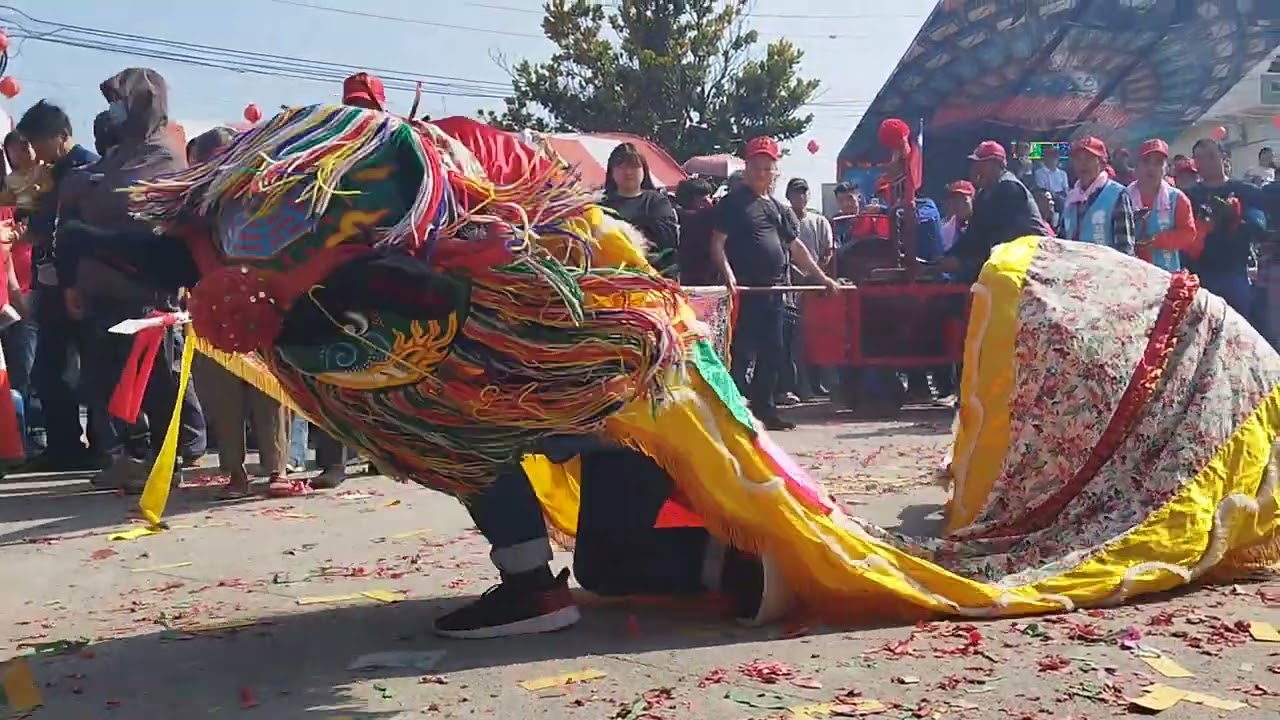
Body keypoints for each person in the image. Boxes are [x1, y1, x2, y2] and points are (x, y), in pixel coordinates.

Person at [55, 68, 207, 491]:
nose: (114, 110)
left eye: (120, 100)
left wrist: (96, 190)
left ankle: (167, 460)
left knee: (157, 380)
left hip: (147, 289)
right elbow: (79, 187)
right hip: (101, 288)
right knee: (106, 380)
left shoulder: (165, 150)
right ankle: (125, 457)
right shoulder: (123, 150)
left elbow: (125, 197)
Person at [185, 127, 290, 499]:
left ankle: (277, 469)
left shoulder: (262, 196)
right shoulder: (192, 208)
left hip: (260, 303)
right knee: (222, 394)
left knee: (269, 390)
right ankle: (236, 474)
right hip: (210, 309)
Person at [708, 136, 838, 431]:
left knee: (774, 351)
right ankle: (732, 409)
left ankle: (765, 410)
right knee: (741, 352)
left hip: (775, 293)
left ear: (775, 172)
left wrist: (821, 277)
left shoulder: (779, 209)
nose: (761, 173)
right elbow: (717, 244)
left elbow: (797, 249)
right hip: (746, 292)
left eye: (768, 168)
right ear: (747, 168)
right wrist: (728, 275)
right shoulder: (732, 204)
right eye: (756, 167)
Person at [15, 100, 104, 472]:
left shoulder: (90, 168)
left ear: (63, 137)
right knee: (48, 371)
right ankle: (64, 446)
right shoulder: (44, 175)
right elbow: (38, 226)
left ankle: (106, 446)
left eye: (39, 140)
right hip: (50, 287)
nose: (34, 150)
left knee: (96, 370)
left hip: (84, 283)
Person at [1184, 138, 1267, 317]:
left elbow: (1259, 226)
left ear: (1223, 157)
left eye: (1211, 156)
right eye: (1199, 158)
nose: (1205, 162)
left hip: (1235, 272)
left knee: (1239, 332)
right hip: (1200, 275)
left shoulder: (1246, 191)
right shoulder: (1188, 196)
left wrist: (1236, 218)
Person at [942, 140, 1046, 282]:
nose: (976, 169)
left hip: (1034, 263)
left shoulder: (1009, 188)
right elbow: (973, 235)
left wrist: (962, 263)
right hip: (1009, 263)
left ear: (997, 165)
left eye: (982, 164)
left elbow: (997, 239)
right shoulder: (985, 193)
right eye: (975, 164)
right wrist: (945, 259)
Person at [602, 143, 679, 272]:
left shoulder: (657, 201)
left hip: (652, 276)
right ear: (611, 171)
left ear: (644, 170)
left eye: (634, 166)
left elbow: (666, 238)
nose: (628, 172)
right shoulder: (600, 203)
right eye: (621, 167)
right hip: (610, 275)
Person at [1126, 139, 1200, 272]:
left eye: (1158, 163)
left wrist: (1156, 240)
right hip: (1131, 273)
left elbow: (1188, 234)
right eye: (1146, 161)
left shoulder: (1177, 198)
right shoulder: (1123, 197)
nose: (1151, 168)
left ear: (1166, 168)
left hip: (1166, 273)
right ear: (1136, 166)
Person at [1061, 136, 1135, 255]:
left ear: (1102, 163)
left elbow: (1125, 247)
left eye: (1089, 158)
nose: (1083, 164)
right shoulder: (1071, 199)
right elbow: (1062, 241)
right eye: (1078, 159)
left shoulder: (1117, 194)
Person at [673, 178, 718, 285]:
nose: (709, 202)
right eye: (702, 199)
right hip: (692, 275)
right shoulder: (687, 218)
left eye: (709, 197)